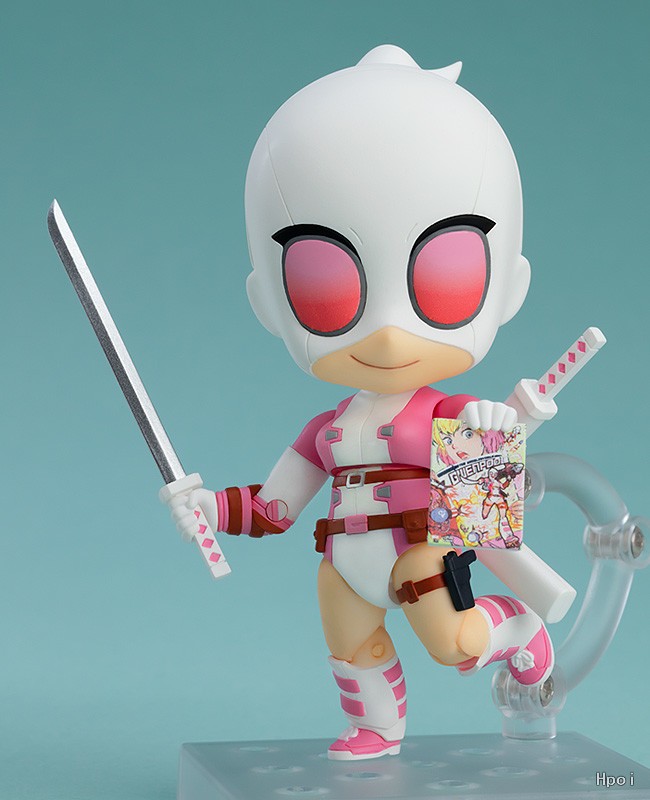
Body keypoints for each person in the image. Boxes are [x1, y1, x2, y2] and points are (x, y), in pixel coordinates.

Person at [166, 45, 553, 761]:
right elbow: (273, 509)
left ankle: (519, 628)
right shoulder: (327, 431)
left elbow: (488, 521)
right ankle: (378, 727)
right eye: (325, 287)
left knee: (455, 643)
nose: (387, 331)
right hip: (344, 557)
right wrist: (208, 509)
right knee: (350, 639)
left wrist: (493, 433)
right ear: (269, 301)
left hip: (420, 549)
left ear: (508, 286)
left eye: (445, 278)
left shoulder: (449, 412)